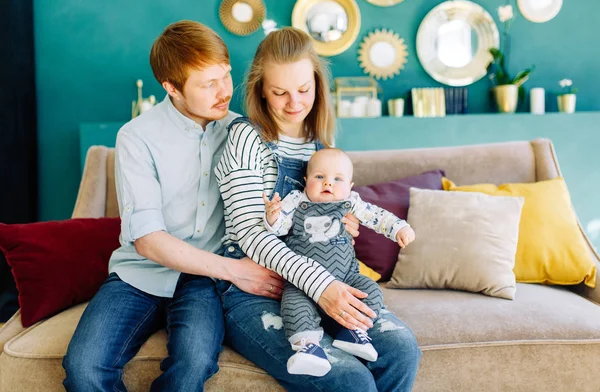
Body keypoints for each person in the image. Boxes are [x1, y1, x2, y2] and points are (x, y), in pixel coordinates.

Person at [62, 20, 285, 392]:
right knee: (84, 370)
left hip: (203, 281)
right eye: (207, 83)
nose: (224, 91)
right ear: (171, 88)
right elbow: (148, 241)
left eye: (226, 76)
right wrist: (236, 271)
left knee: (194, 365)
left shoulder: (241, 132)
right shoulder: (136, 137)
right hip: (138, 274)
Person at [215, 26, 421, 392]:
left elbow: (340, 215)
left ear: (317, 84)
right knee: (349, 380)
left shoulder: (321, 146)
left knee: (401, 350)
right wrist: (323, 285)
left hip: (321, 280)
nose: (294, 103)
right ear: (261, 90)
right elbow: (250, 234)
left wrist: (342, 228)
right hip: (256, 288)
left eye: (303, 90)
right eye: (279, 92)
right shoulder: (246, 138)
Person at [262, 147, 416, 376]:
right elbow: (279, 228)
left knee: (371, 292)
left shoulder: (351, 202)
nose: (328, 184)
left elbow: (376, 216)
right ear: (305, 181)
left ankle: (352, 332)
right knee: (293, 305)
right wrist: (273, 217)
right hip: (303, 282)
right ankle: (308, 348)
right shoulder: (295, 200)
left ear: (350, 186)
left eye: (337, 179)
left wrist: (398, 228)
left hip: (347, 277)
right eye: (319, 177)